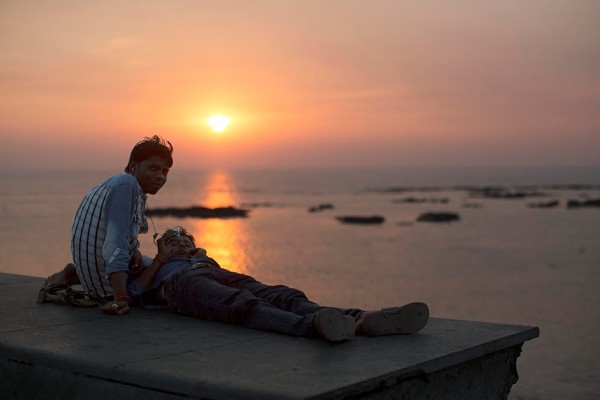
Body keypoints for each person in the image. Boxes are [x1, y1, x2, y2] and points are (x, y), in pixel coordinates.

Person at [111, 226, 430, 342]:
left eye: (183, 241)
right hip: (184, 285)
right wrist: (162, 259)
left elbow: (206, 262)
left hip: (217, 272)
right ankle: (314, 326)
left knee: (284, 294)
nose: (178, 244)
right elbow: (136, 292)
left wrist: (202, 257)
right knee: (242, 305)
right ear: (162, 247)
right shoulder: (161, 266)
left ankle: (360, 318)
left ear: (194, 245)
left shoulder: (203, 258)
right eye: (171, 241)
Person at [45, 135, 174, 315]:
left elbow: (114, 235)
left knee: (156, 263)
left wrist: (134, 252)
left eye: (164, 171)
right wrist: (121, 298)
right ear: (133, 166)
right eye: (153, 168)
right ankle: (77, 275)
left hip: (95, 276)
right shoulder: (127, 186)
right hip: (107, 290)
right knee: (173, 273)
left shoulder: (121, 183)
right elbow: (114, 245)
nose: (160, 176)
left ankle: (76, 275)